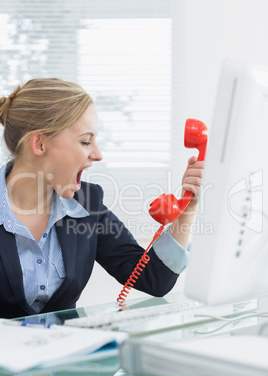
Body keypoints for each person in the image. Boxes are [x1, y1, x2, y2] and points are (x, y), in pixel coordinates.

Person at [0, 78, 204, 319]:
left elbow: (154, 279)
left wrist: (188, 207)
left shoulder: (88, 202)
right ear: (40, 143)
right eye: (86, 141)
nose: (98, 154)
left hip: (65, 352)